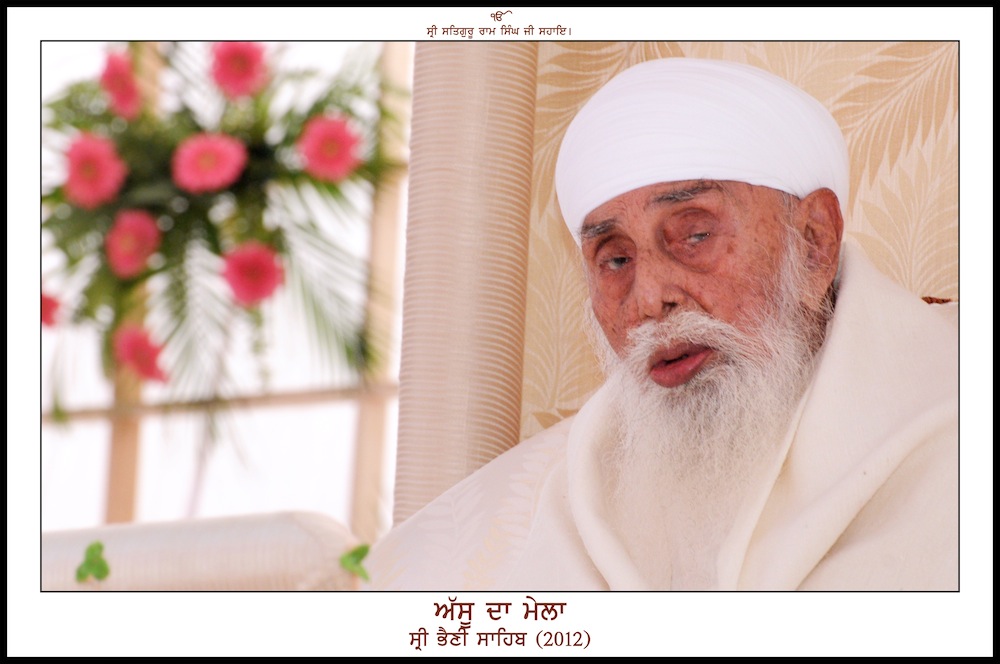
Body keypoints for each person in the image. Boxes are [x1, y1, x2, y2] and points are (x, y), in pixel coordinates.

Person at [365, 57, 958, 591]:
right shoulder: (561, 495)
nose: (649, 300)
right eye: (615, 260)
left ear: (813, 242)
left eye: (694, 235)